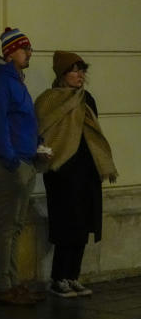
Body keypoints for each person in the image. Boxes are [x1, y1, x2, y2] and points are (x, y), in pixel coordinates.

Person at [35, 52, 117, 298]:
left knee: (83, 223)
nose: (80, 75)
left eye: (82, 70)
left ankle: (73, 275)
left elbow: (94, 132)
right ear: (62, 74)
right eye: (74, 70)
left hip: (86, 168)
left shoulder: (87, 99)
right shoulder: (48, 100)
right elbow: (41, 130)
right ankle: (58, 277)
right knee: (65, 223)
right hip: (61, 170)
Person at [0, 27, 45, 306]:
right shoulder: (0, 82)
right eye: (24, 49)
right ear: (10, 53)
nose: (29, 53)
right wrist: (11, 160)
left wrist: (37, 144)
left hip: (24, 160)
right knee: (6, 227)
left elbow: (22, 121)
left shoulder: (16, 80)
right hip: (11, 165)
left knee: (16, 226)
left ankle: (13, 281)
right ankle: (3, 285)